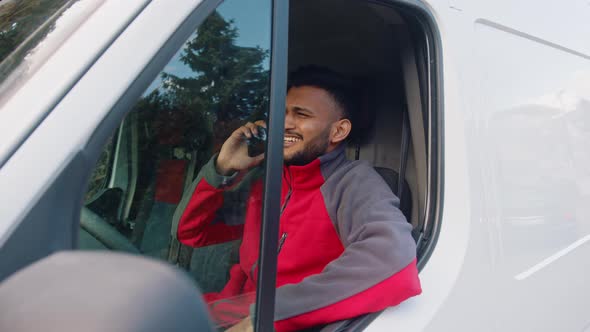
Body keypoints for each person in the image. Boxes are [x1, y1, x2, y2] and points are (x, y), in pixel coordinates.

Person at [177, 66, 421, 332]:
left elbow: (392, 260)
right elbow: (189, 233)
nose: (284, 123)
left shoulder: (353, 183)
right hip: (226, 310)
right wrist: (222, 168)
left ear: (338, 131)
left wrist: (268, 316)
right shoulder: (264, 180)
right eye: (281, 113)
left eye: (301, 115)